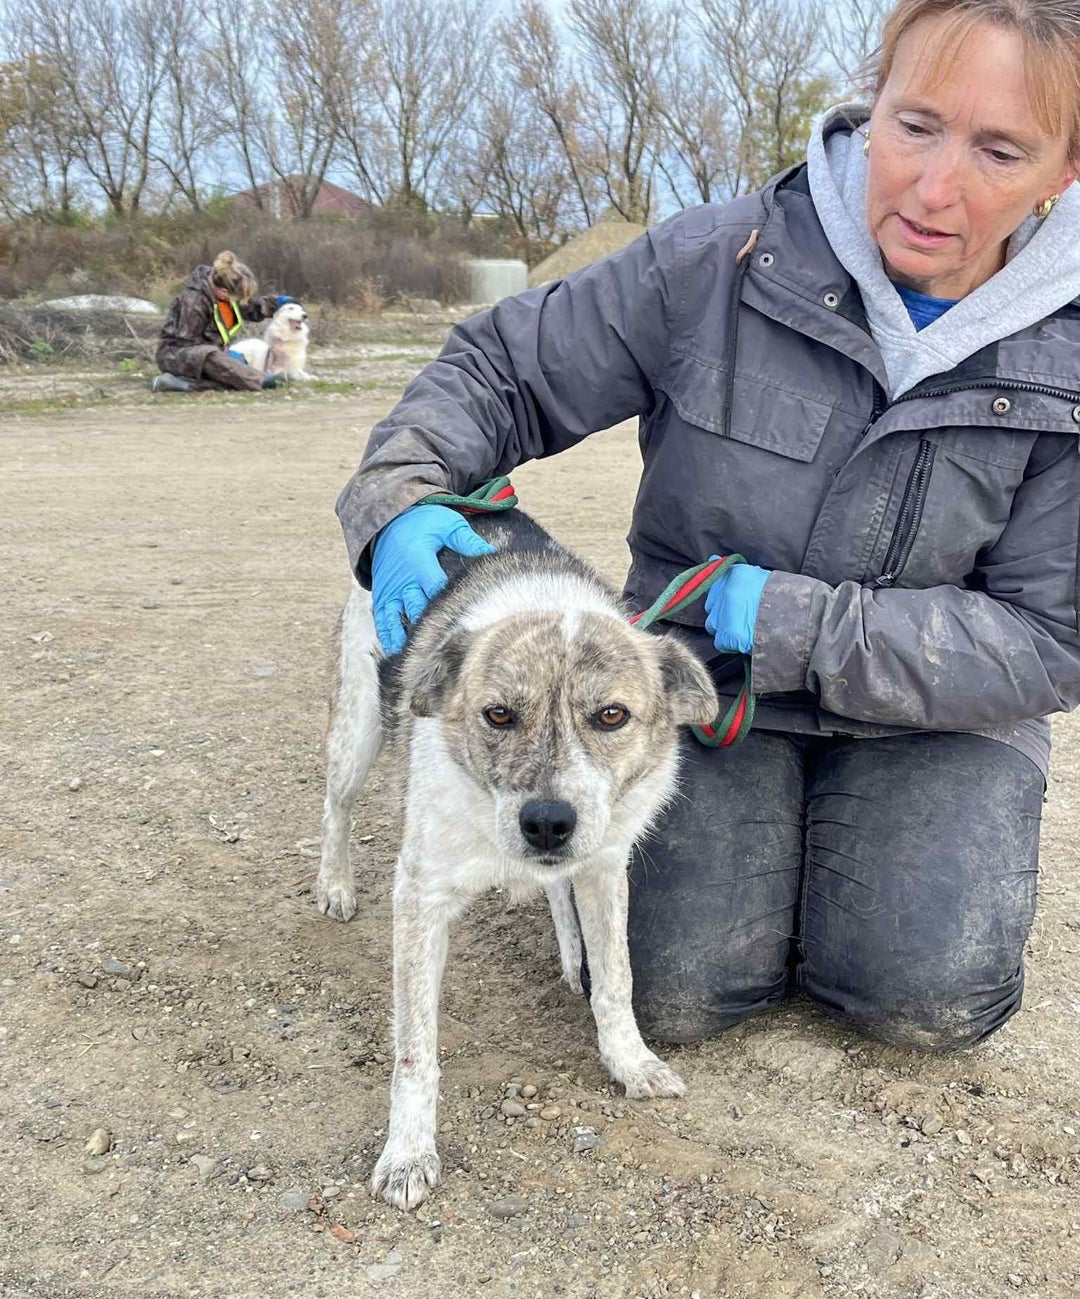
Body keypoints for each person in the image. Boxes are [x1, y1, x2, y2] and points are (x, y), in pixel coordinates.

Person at [334, 0, 1080, 1053]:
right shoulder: (719, 256)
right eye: (915, 125)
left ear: (1064, 171)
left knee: (926, 999)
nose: (935, 185)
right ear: (874, 108)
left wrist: (791, 621)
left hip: (937, 715)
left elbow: (1054, 638)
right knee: (675, 995)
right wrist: (401, 499)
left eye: (999, 150)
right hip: (706, 687)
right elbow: (499, 369)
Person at [154, 250, 293, 392]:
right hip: (176, 356)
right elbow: (188, 344)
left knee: (229, 372)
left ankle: (179, 384)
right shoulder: (194, 302)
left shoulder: (226, 292)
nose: (238, 300)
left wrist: (278, 303)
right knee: (209, 356)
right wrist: (225, 359)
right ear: (224, 291)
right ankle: (261, 381)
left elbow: (252, 307)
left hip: (211, 353)